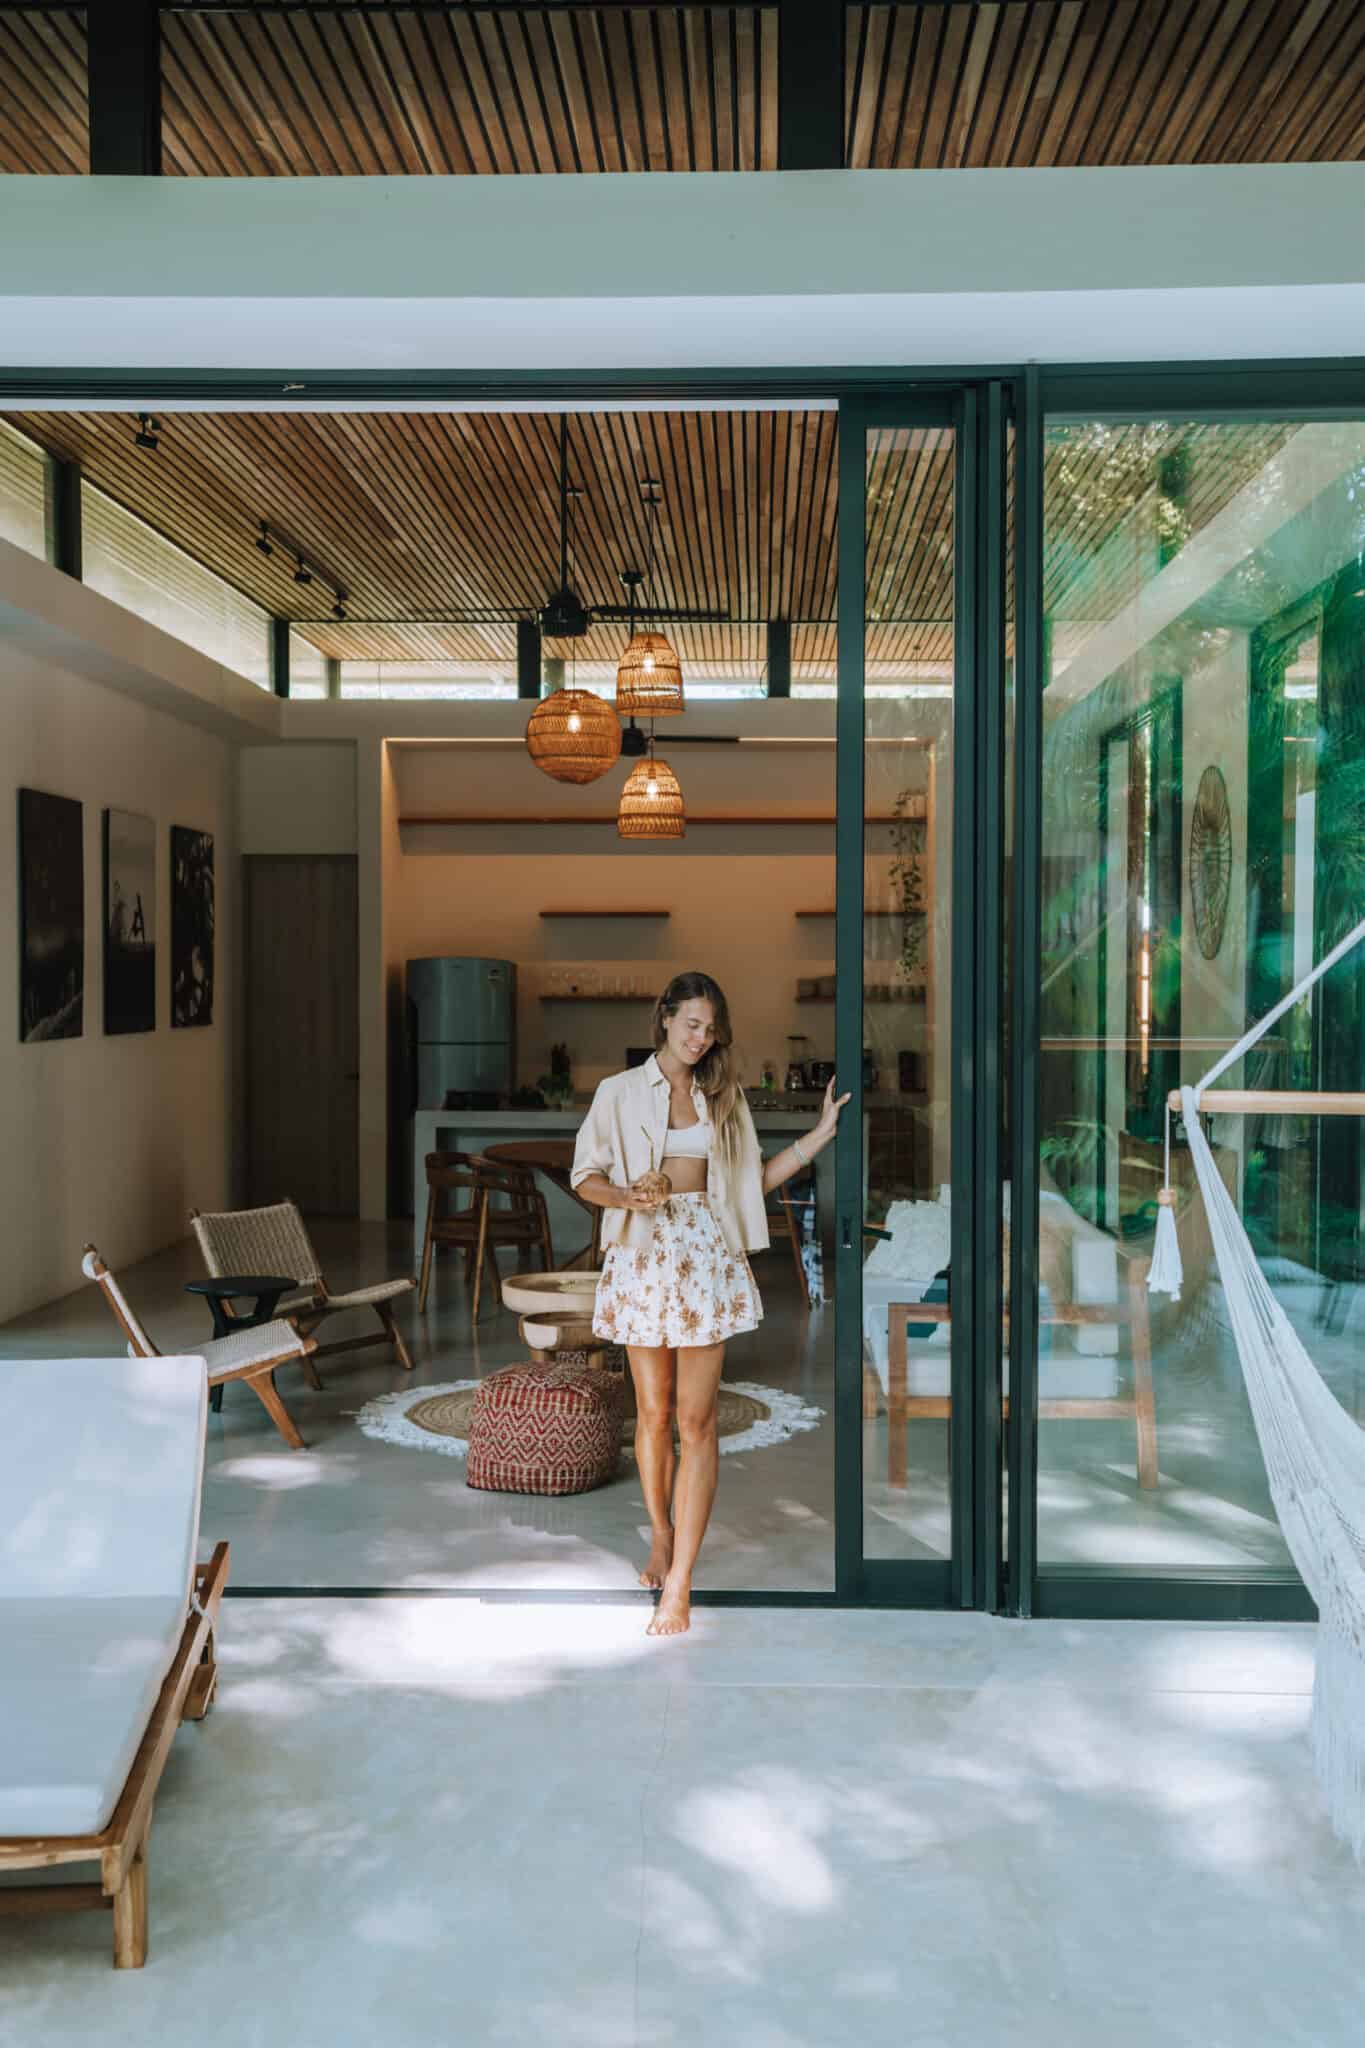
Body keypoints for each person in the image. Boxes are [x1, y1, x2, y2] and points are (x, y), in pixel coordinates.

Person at [570, 970, 849, 1637]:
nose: (702, 1038)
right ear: (664, 1018)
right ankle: (660, 1535)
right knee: (651, 1414)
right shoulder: (617, 1093)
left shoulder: (723, 1096)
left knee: (696, 1425)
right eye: (692, 1023)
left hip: (703, 1260)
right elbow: (585, 1175)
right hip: (640, 1254)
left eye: (711, 1027)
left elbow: (751, 1184)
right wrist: (625, 1198)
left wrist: (817, 1136)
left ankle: (682, 1581)